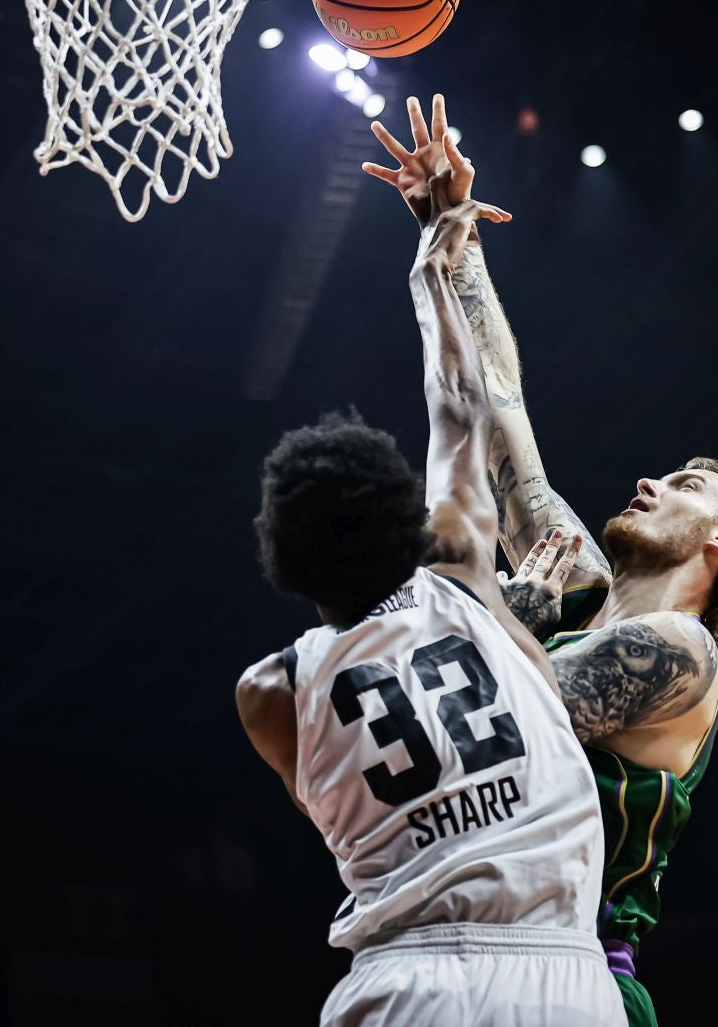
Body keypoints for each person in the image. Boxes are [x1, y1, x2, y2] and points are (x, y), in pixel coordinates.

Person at [364, 96, 718, 1026]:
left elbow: (503, 723)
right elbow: (500, 408)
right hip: (463, 950)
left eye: (685, 483)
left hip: (569, 974)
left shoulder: (681, 652)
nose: (651, 479)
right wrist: (454, 237)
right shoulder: (577, 580)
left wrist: (508, 619)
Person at [236, 175, 628, 1026]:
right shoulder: (460, 569)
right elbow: (460, 404)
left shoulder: (269, 693)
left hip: (399, 984)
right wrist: (431, 262)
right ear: (401, 516)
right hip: (558, 972)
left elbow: (342, 812)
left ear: (283, 560)